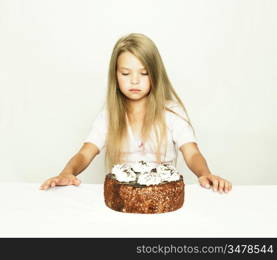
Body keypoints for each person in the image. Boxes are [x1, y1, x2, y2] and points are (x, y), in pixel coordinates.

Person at [40, 33, 232, 193]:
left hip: (162, 196)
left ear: (156, 74)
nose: (134, 81)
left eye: (144, 73)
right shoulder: (109, 115)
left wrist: (204, 174)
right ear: (115, 75)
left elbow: (192, 154)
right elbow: (85, 153)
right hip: (123, 197)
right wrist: (67, 172)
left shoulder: (171, 112)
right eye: (125, 73)